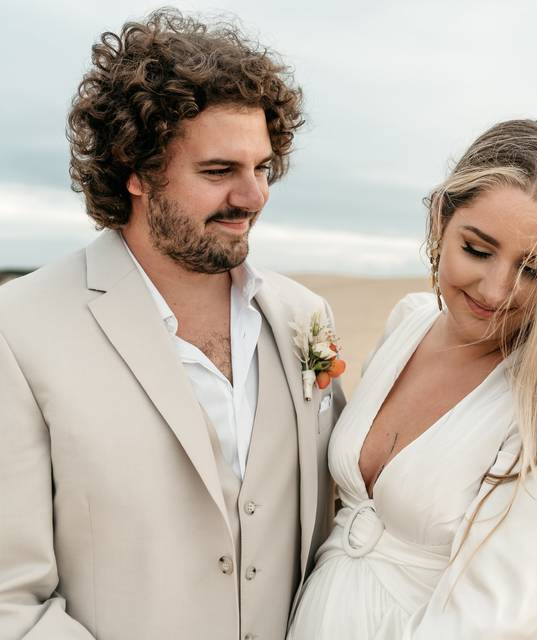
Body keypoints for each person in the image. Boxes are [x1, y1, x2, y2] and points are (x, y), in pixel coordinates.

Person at [0, 9, 345, 639]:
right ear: (134, 170)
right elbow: (9, 601)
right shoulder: (17, 331)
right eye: (219, 172)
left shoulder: (304, 317)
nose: (254, 196)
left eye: (262, 168)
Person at [287, 119, 537, 639]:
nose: (496, 290)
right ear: (440, 221)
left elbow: (499, 618)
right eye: (477, 250)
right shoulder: (407, 322)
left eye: (534, 269)